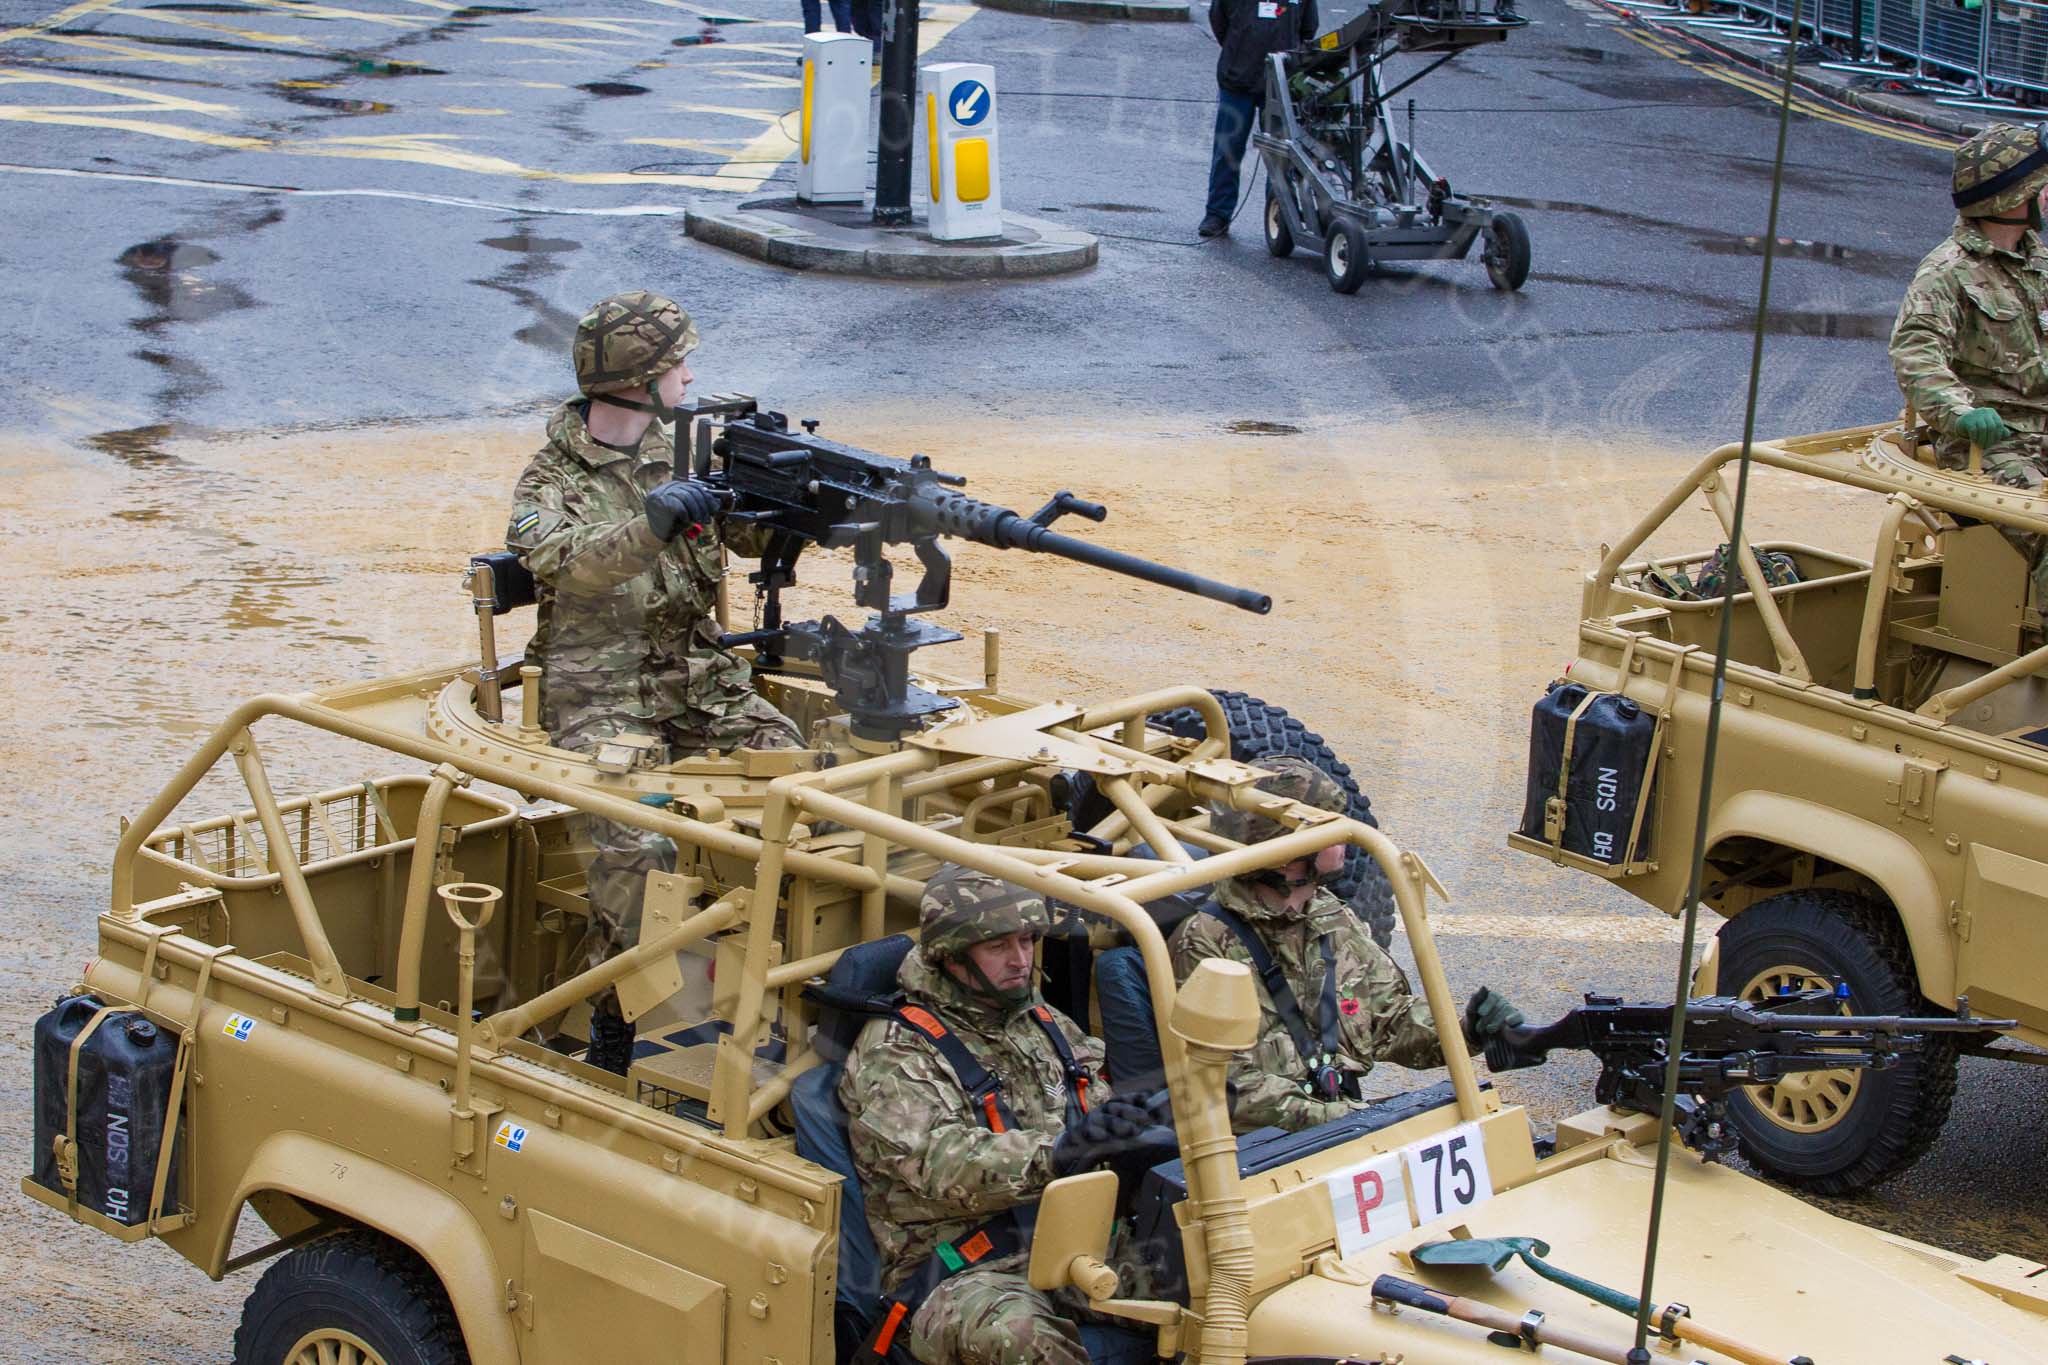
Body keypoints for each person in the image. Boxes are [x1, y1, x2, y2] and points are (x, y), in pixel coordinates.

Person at [507, 289, 804, 1074]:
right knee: (635, 852)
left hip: (695, 673)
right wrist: (655, 521)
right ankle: (614, 1025)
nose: (692, 374)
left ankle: (771, 985)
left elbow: (746, 532)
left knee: (801, 785)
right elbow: (569, 564)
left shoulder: (687, 451)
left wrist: (796, 497)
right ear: (639, 381)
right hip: (598, 690)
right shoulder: (549, 481)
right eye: (680, 363)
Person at [839, 864, 1158, 1365]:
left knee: (1208, 1278)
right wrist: (1060, 1153)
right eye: (998, 947)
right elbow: (937, 1161)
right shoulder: (897, 1050)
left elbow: (1092, 1091)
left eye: (1027, 941)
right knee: (1022, 1339)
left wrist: (1136, 1124)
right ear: (951, 957)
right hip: (959, 1268)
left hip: (1073, 1237)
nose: (1020, 960)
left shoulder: (1039, 1019)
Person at [1168, 757, 1522, 1133]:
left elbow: (1389, 1019)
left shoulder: (1328, 915)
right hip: (1264, 1149)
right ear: (1284, 852)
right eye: (1324, 824)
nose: (1344, 832)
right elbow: (1228, 1086)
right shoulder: (1206, 942)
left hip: (1340, 1125)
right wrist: (1350, 1121)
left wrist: (1466, 1030)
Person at [1892, 122, 2048, 624]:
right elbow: (1916, 355)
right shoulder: (1948, 271)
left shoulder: (2039, 261)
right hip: (1992, 445)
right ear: (2013, 197)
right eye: (2040, 184)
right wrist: (1961, 413)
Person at [1201, 0, 1318, 238]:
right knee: (1227, 151)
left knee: (1282, 154)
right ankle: (1217, 214)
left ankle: (1280, 216)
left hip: (1282, 83)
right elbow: (1219, 21)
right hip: (1237, 79)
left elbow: (1309, 29)